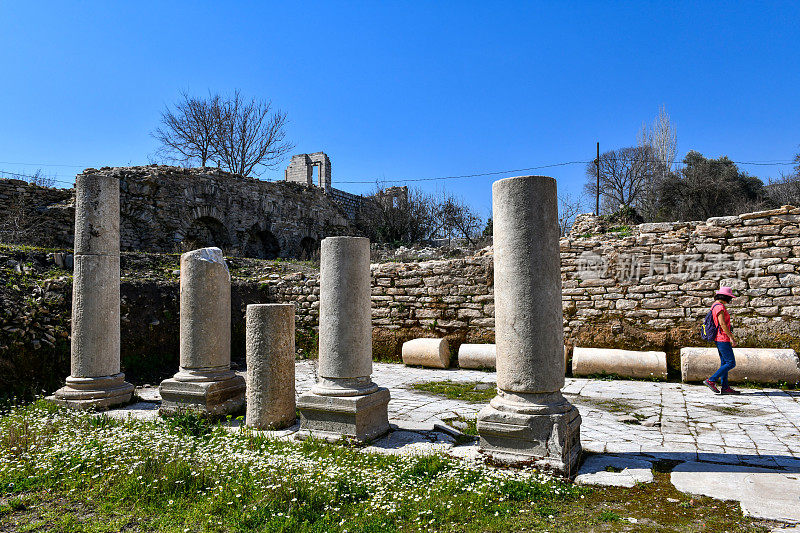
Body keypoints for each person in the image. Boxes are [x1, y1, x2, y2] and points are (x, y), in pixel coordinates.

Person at [703, 286, 740, 395]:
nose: (730, 300)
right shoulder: (719, 307)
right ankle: (711, 380)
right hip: (722, 338)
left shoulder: (715, 305)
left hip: (719, 338)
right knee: (731, 363)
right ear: (725, 297)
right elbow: (722, 324)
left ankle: (725, 387)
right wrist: (731, 337)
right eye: (730, 298)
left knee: (724, 362)